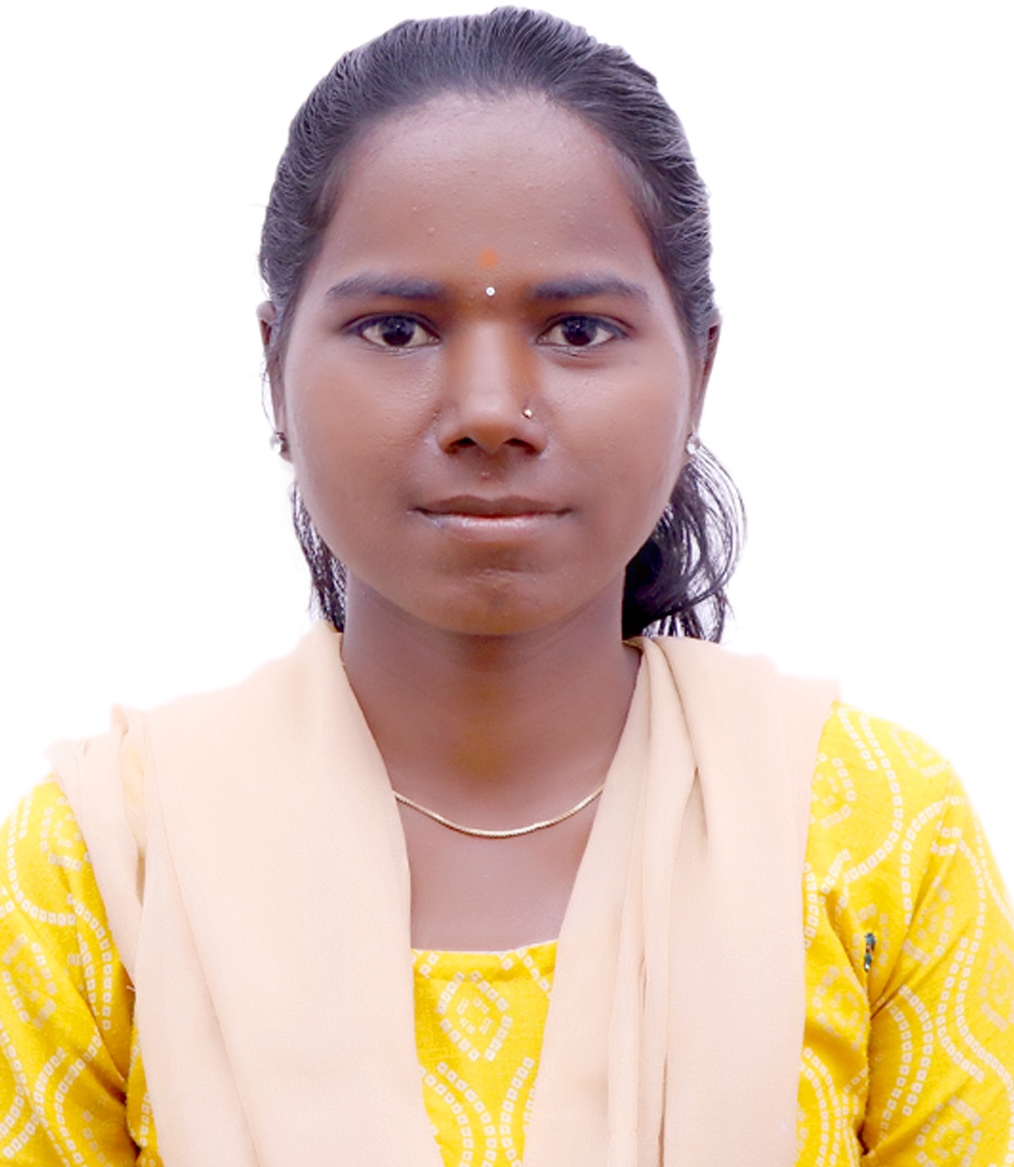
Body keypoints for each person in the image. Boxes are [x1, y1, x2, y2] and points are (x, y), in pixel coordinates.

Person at [1, 8, 1011, 1166]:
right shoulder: (105, 868)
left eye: (578, 329)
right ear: (274, 371)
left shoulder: (875, 837)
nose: (489, 411)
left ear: (699, 372)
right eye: (397, 329)